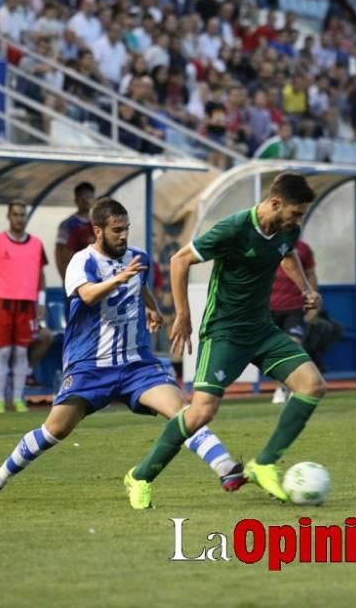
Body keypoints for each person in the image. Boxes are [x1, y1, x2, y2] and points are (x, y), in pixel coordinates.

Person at [0, 198, 249, 501]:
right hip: (90, 365)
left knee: (183, 413)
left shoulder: (137, 258)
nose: (123, 235)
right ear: (98, 231)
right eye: (116, 230)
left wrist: (152, 309)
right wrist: (118, 278)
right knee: (55, 430)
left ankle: (226, 468)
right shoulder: (83, 261)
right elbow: (88, 295)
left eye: (126, 228)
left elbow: (138, 283)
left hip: (135, 365)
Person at [123, 172, 326, 509]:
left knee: (312, 385)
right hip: (225, 334)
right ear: (275, 203)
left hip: (261, 331)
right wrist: (184, 314)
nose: (298, 220)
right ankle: (140, 476)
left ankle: (263, 463)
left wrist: (305, 288)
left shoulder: (288, 228)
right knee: (201, 412)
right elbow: (179, 260)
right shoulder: (233, 228)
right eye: (295, 212)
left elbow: (286, 253)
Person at [0, 201, 49, 413]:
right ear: (8, 217)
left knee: (20, 352)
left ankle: (18, 398)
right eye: (16, 215)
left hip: (26, 304)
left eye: (22, 215)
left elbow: (40, 274)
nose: (19, 219)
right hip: (2, 303)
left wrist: (41, 302)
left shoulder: (36, 243)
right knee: (3, 352)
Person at [269, 239, 318, 404]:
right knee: (274, 351)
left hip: (294, 308)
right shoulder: (266, 245)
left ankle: (293, 387)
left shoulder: (304, 248)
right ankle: (281, 387)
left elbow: (310, 274)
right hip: (268, 308)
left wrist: (312, 304)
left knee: (293, 346)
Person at [55, 181, 96, 280]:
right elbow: (60, 253)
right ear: (76, 199)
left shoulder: (98, 223)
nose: (85, 199)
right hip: (76, 277)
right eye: (82, 196)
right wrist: (65, 277)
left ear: (94, 199)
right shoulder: (67, 224)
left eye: (89, 196)